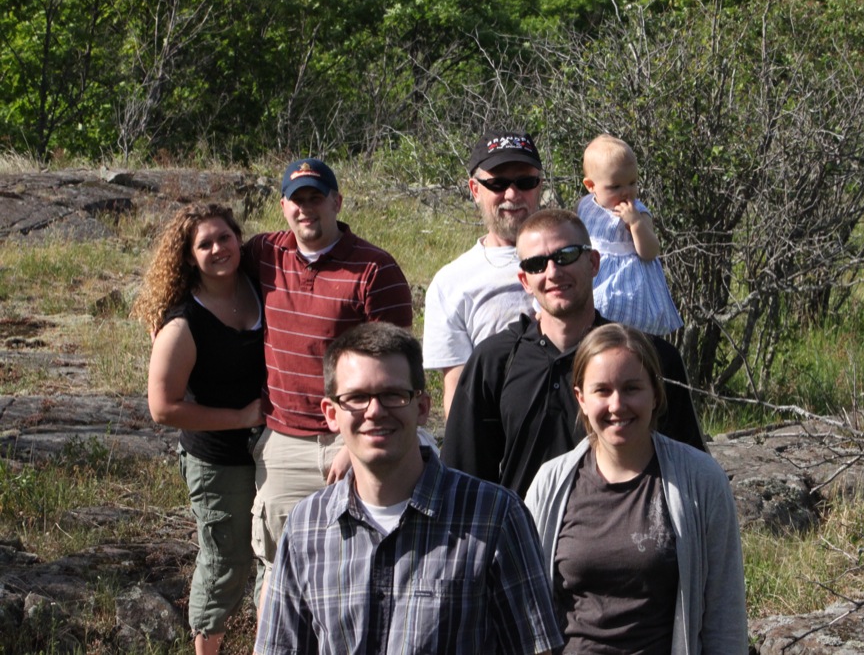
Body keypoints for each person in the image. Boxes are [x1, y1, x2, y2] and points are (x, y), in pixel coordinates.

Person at [254, 322, 562, 654]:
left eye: (393, 395)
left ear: (423, 407)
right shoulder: (306, 526)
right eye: (356, 397)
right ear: (331, 413)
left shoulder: (494, 517)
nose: (374, 411)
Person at [243, 158, 414, 608]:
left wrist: (350, 448)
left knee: (361, 565)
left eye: (315, 198)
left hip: (355, 437)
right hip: (284, 444)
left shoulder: (374, 269)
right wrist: (167, 318)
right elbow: (206, 271)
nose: (306, 209)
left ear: (336, 202)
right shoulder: (264, 253)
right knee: (278, 571)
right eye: (296, 200)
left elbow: (397, 364)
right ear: (283, 207)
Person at [442, 209, 706, 498]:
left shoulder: (648, 359)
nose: (553, 272)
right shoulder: (494, 362)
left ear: (593, 263)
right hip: (521, 526)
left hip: (631, 525)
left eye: (566, 255)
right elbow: (462, 482)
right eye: (536, 264)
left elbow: (692, 475)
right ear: (524, 280)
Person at [525, 323, 747, 654]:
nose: (617, 405)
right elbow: (526, 615)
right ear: (581, 398)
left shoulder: (701, 481)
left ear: (656, 393)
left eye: (631, 388)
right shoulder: (549, 485)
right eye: (602, 390)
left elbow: (724, 618)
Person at [133, 203, 264, 655]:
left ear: (238, 239)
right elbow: (163, 408)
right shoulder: (183, 322)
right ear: (189, 257)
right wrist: (240, 418)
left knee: (276, 555)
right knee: (227, 561)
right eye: (204, 244)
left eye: (224, 237)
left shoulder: (260, 285)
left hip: (273, 446)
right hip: (217, 459)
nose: (218, 249)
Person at [423, 130, 543, 418]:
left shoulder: (575, 256)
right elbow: (458, 390)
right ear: (475, 190)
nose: (512, 194)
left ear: (539, 186)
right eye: (498, 184)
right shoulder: (450, 283)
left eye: (525, 182)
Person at [576, 134, 683, 335]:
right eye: (616, 186)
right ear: (591, 186)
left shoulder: (638, 211)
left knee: (628, 332)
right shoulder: (584, 207)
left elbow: (650, 252)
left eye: (632, 183)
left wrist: (635, 223)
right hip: (594, 277)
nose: (626, 192)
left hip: (630, 285)